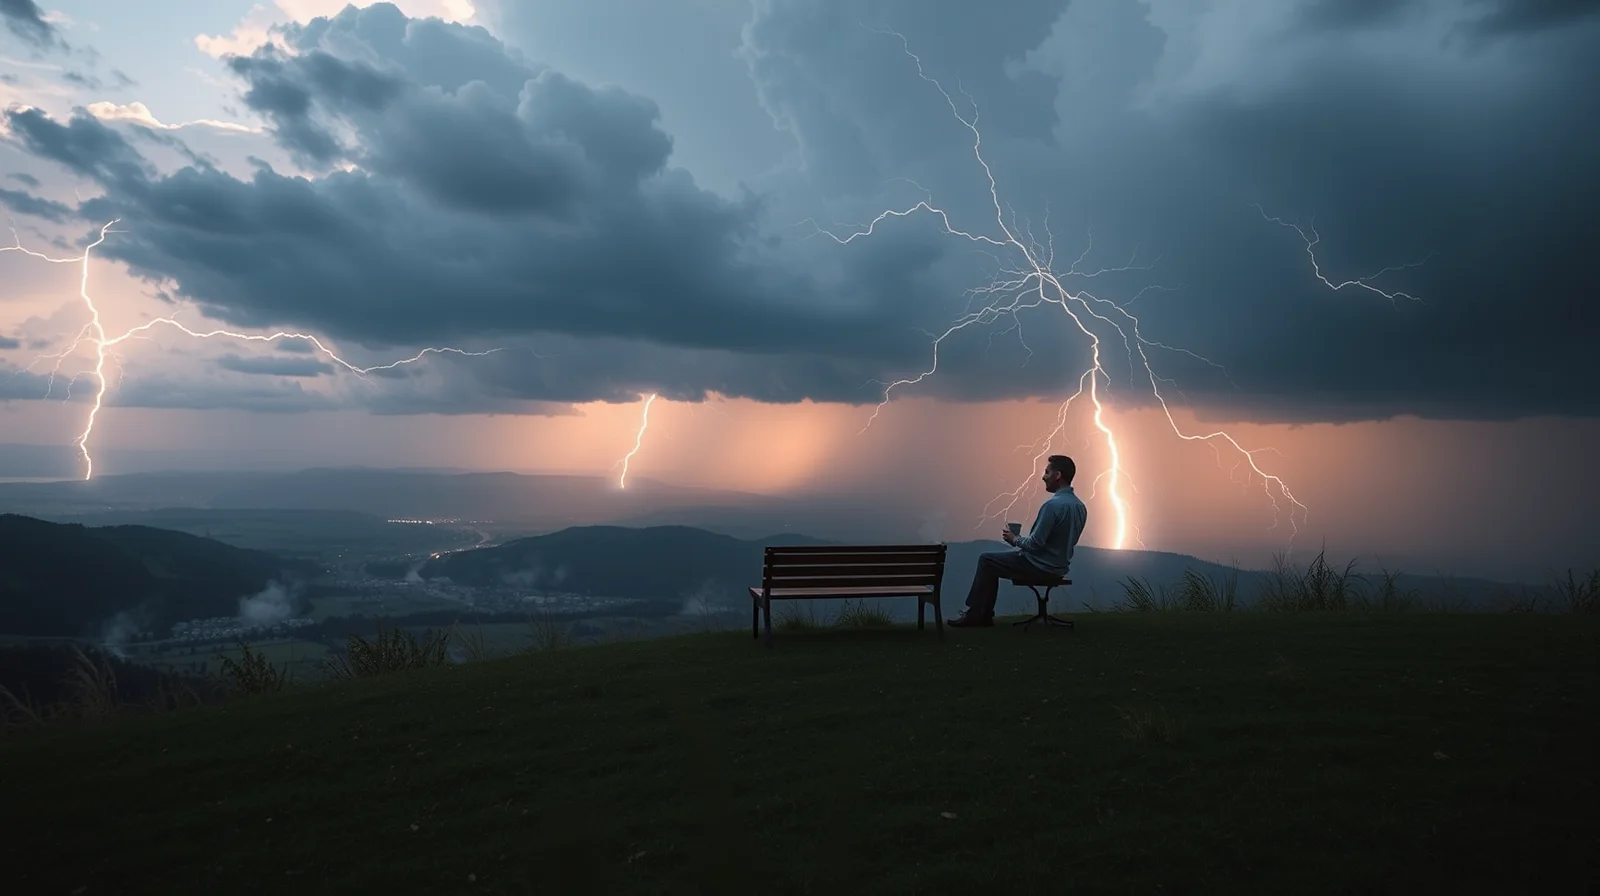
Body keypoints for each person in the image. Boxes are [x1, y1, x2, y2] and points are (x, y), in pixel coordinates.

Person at [949, 454, 1088, 627]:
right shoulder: (1080, 507)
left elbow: (1034, 544)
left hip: (1039, 567)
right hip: (1059, 568)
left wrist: (1014, 539)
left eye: (1047, 472)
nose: (1043, 477)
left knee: (986, 560)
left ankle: (977, 615)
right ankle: (981, 615)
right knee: (993, 561)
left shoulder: (1052, 506)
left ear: (1058, 475)